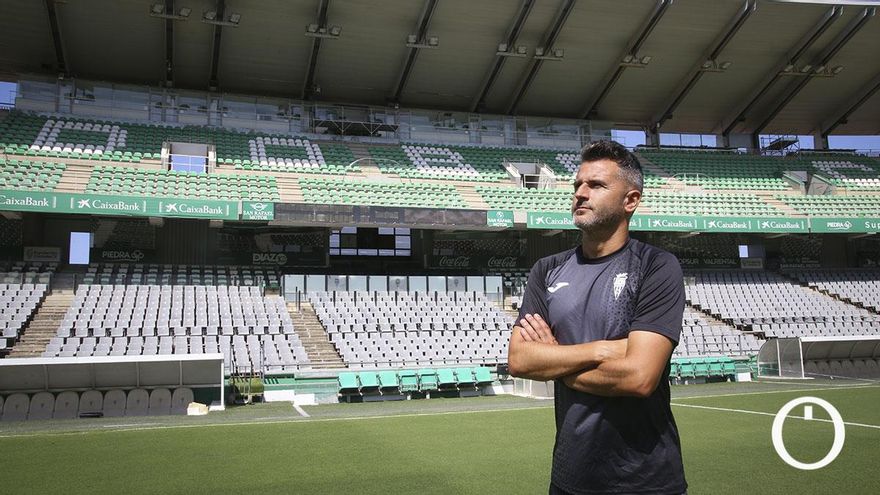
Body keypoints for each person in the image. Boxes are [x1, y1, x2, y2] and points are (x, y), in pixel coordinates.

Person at [507, 140, 687, 495]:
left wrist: (558, 364)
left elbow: (639, 377)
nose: (580, 193)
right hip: (570, 480)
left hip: (647, 483)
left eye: (596, 185)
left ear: (630, 201)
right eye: (577, 185)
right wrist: (605, 350)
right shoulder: (547, 270)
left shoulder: (656, 266)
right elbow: (520, 359)